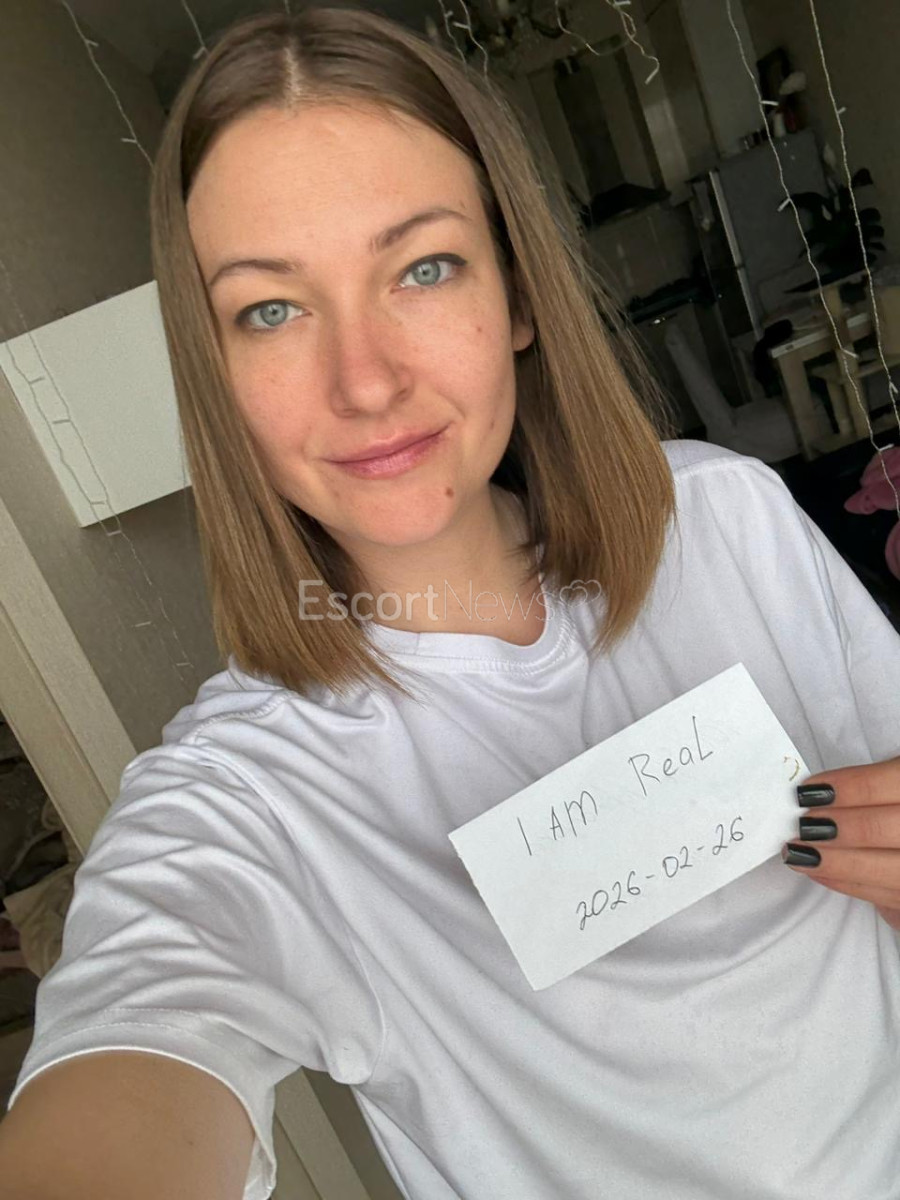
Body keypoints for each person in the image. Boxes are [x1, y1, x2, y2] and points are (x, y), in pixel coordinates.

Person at [2, 7, 900, 1199]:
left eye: (423, 268)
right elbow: (140, 1034)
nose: (366, 382)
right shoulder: (246, 801)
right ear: (215, 373)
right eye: (270, 308)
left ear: (517, 295)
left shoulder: (725, 520)